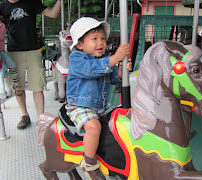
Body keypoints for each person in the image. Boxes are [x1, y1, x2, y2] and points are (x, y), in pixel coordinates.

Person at [66, 17, 132, 180]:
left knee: (123, 118)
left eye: (102, 38)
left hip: (100, 106)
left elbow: (112, 79)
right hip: (80, 105)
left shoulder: (103, 59)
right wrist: (115, 59)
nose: (100, 42)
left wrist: (121, 71)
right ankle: (89, 163)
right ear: (80, 44)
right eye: (94, 39)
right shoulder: (77, 58)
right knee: (94, 127)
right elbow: (90, 70)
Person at [0, 0, 61, 129]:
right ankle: (24, 114)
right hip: (13, 52)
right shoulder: (2, 6)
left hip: (33, 50)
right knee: (18, 87)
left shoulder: (31, 2)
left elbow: (53, 14)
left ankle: (41, 118)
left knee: (37, 86)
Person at [0, 16, 22, 96]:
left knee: (11, 63)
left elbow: (1, 36)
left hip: (0, 50)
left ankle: (16, 82)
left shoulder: (1, 25)